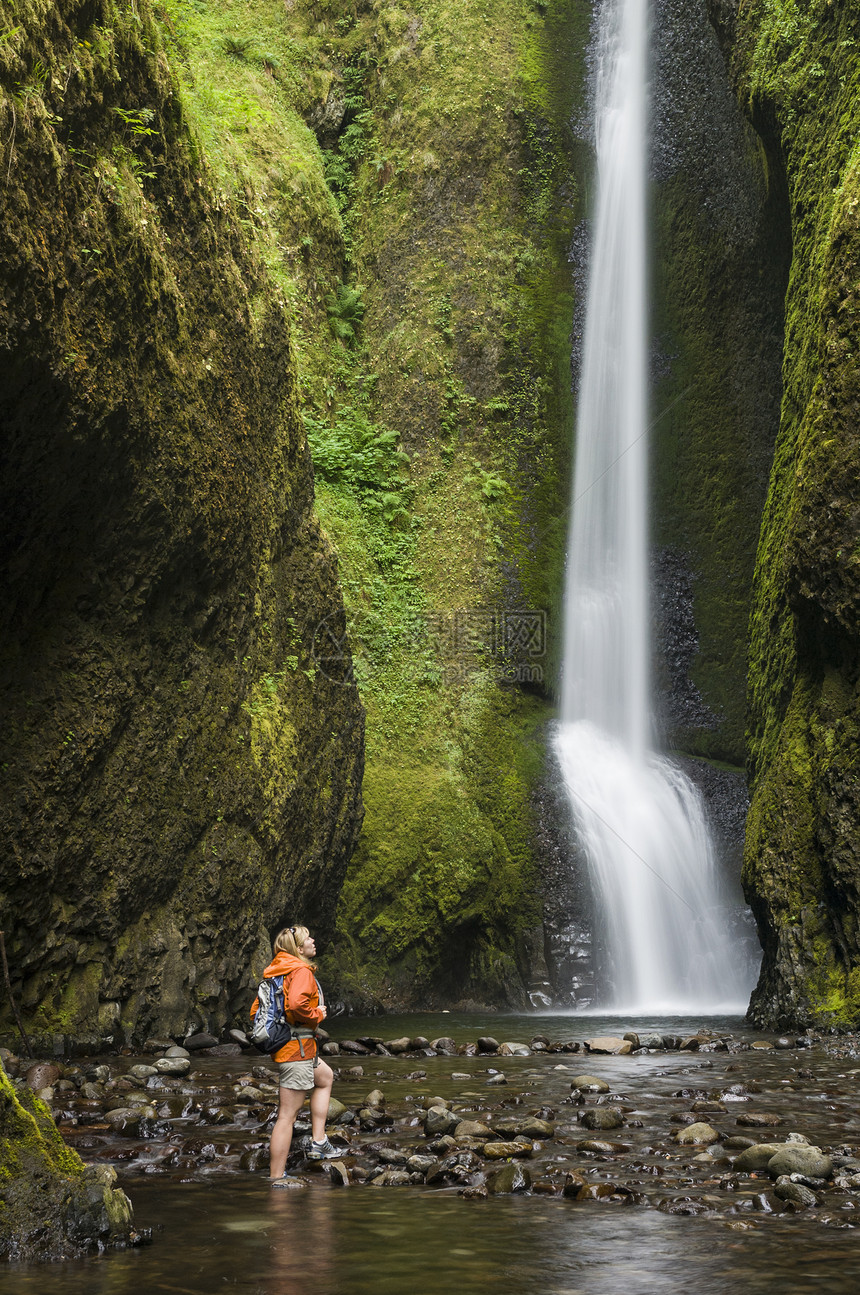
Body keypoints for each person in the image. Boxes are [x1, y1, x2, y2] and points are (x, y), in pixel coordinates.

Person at [251, 924, 338, 1184]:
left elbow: (256, 1009)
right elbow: (297, 1004)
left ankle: (319, 1141)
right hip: (295, 1051)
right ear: (299, 949)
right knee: (286, 1116)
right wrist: (316, 1016)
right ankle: (277, 1177)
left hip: (300, 1048)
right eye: (308, 938)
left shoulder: (277, 972)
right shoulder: (300, 971)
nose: (314, 940)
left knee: (325, 1078)